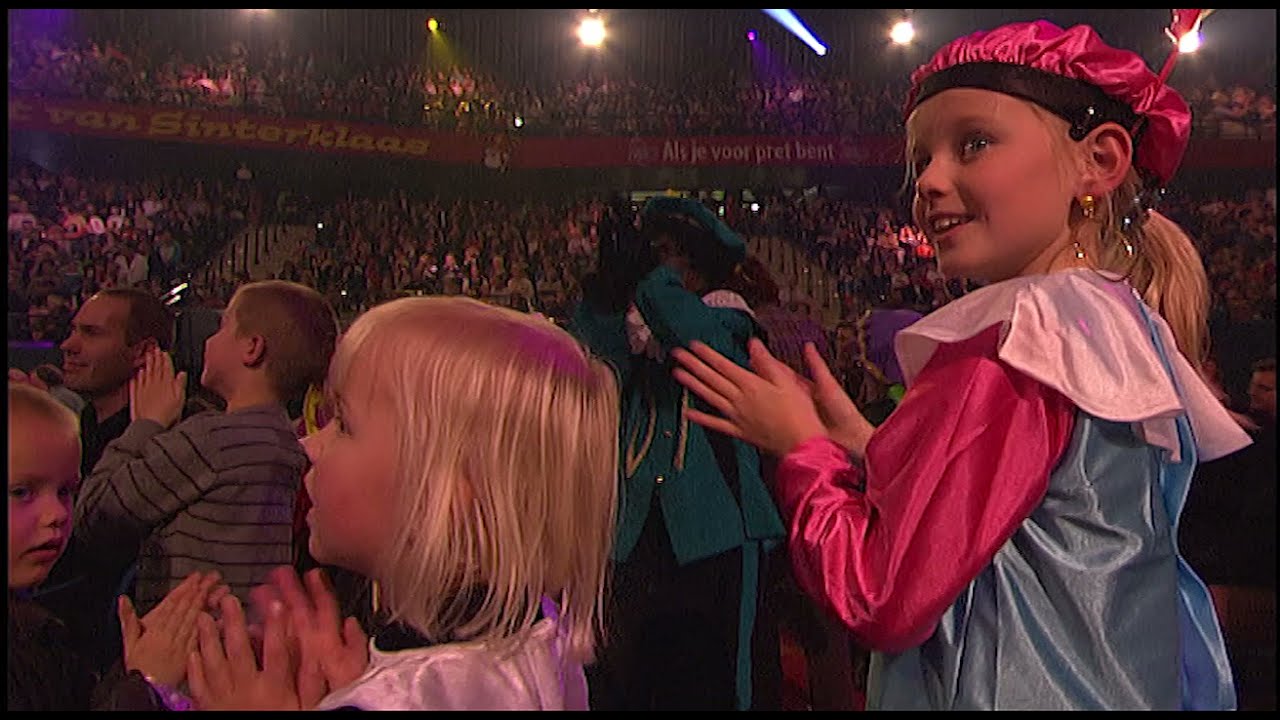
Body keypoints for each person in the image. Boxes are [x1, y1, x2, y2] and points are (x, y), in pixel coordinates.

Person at [670, 19, 1251, 710]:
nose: (930, 182)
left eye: (973, 144)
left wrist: (802, 453)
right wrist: (864, 446)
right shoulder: (1115, 325)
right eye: (920, 162)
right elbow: (1027, 522)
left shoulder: (1014, 344)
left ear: (1098, 160)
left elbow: (878, 595)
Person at [184, 296, 619, 710]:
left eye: (345, 425)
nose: (309, 444)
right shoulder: (538, 639)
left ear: (444, 493)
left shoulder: (416, 695)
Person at [572, 197, 785, 711]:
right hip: (638, 536)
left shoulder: (732, 322)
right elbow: (591, 360)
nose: (651, 263)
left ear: (694, 266)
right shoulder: (643, 324)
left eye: (662, 253)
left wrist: (648, 282)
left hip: (719, 534)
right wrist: (607, 288)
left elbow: (699, 346)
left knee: (721, 683)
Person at [7, 382, 223, 711]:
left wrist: (132, 667)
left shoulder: (36, 630)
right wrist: (145, 684)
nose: (57, 514)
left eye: (66, 491)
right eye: (22, 492)